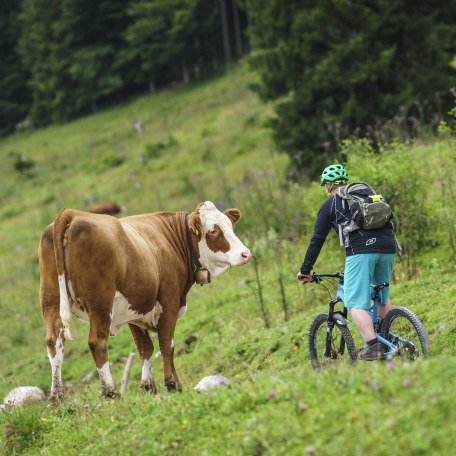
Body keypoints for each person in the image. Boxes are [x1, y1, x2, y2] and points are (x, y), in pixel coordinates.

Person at [297, 164, 396, 360]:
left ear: (327, 185)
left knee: (354, 302)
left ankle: (374, 345)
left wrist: (305, 270)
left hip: (361, 251)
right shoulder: (367, 194)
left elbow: (317, 240)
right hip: (388, 246)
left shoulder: (330, 204)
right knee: (381, 296)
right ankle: (388, 341)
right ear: (345, 181)